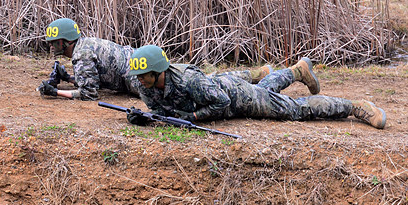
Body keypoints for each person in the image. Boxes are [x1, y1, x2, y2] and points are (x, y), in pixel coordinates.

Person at [125, 44, 386, 129]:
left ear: (157, 71)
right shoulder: (146, 86)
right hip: (224, 87)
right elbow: (161, 111)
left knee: (293, 110)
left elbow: (222, 103)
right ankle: (297, 71)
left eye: (143, 75)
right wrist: (144, 118)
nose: (138, 80)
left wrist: (193, 117)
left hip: (237, 96)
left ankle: (354, 107)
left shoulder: (189, 80)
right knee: (268, 92)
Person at [37, 18, 278, 101]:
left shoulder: (80, 54)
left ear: (64, 42)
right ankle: (258, 75)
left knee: (204, 83)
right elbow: (94, 80)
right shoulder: (85, 45)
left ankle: (258, 75)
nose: (50, 45)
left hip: (137, 77)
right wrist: (68, 77)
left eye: (53, 41)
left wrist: (55, 93)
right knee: (203, 79)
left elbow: (89, 94)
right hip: (141, 68)